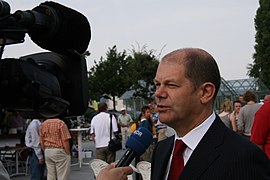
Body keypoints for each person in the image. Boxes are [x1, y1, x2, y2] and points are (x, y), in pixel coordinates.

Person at [98, 48, 270, 179]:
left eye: (171, 85)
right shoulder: (162, 150)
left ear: (205, 92)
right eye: (157, 84)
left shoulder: (244, 157)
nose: (158, 93)